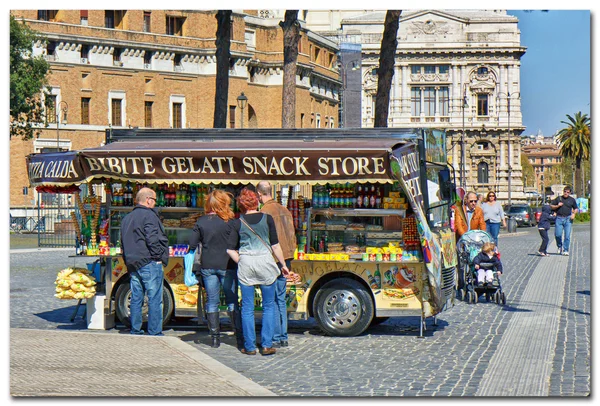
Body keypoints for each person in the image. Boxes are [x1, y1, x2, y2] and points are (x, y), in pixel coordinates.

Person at [227, 188, 289, 356]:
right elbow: (275, 245)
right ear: (257, 202)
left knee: (247, 307)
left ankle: (249, 346)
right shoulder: (267, 219)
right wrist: (283, 265)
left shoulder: (237, 222)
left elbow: (230, 250)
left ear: (241, 204)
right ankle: (267, 345)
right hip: (265, 263)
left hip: (247, 263)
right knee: (268, 305)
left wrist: (243, 260)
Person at [188, 190, 242, 349]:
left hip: (208, 265)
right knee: (232, 300)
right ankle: (238, 334)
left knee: (212, 301)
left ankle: (214, 338)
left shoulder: (201, 221)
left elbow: (192, 244)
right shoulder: (231, 222)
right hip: (228, 266)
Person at [120, 187, 169, 336]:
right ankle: (154, 331)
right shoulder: (150, 216)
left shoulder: (127, 218)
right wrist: (158, 257)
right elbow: (152, 238)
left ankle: (135, 329)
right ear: (148, 200)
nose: (155, 203)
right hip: (149, 261)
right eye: (154, 200)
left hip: (133, 262)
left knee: (136, 297)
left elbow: (122, 242)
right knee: (154, 298)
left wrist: (127, 260)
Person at [257, 181, 297, 348]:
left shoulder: (265, 212)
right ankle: (283, 336)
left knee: (272, 299)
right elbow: (292, 236)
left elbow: (263, 239)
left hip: (273, 259)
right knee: (280, 299)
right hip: (286, 258)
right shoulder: (285, 210)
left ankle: (274, 336)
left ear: (259, 194)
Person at [550, 186, 579, 256]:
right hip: (559, 218)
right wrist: (557, 206)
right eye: (565, 192)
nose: (566, 193)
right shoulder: (559, 198)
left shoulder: (572, 200)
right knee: (557, 234)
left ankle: (566, 250)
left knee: (567, 236)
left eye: (567, 192)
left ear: (569, 193)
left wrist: (574, 214)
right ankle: (559, 246)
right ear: (563, 192)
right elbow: (551, 206)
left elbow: (576, 208)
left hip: (568, 219)